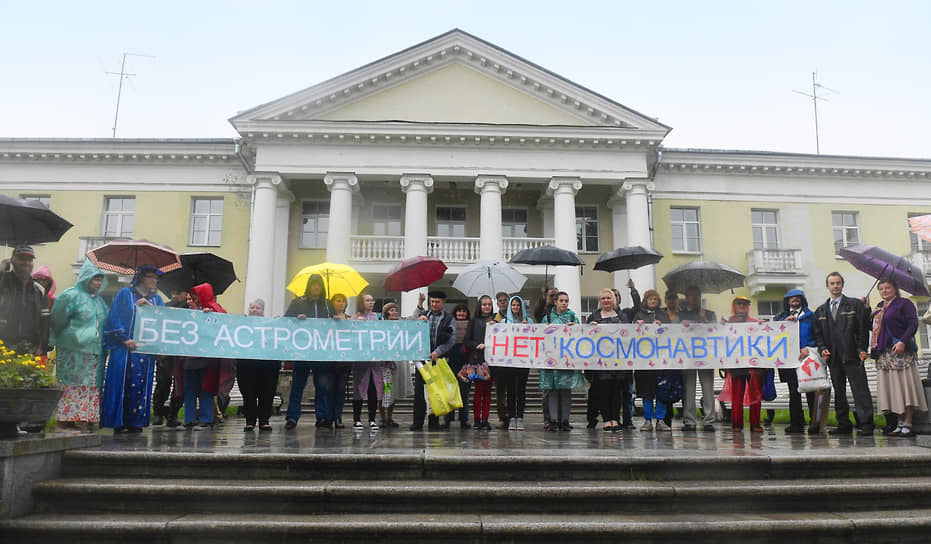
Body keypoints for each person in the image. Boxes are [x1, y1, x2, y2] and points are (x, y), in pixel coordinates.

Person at [101, 265, 165, 433]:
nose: (155, 281)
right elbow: (114, 317)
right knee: (123, 383)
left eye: (156, 278)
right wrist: (124, 337)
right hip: (125, 349)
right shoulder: (125, 294)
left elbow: (164, 322)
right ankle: (119, 421)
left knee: (140, 385)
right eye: (152, 277)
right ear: (143, 278)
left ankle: (135, 421)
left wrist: (152, 311)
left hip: (144, 351)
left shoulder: (157, 300)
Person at [48, 258, 109, 431]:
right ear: (86, 277)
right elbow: (57, 320)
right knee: (72, 382)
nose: (98, 283)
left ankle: (86, 416)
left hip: (95, 352)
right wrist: (60, 340)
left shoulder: (100, 302)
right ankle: (67, 418)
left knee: (91, 384)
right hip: (72, 350)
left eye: (100, 280)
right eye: (95, 279)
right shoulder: (70, 295)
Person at [812, 272, 874, 436]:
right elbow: (817, 334)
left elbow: (863, 329)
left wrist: (862, 348)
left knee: (860, 390)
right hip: (833, 358)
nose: (835, 286)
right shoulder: (820, 311)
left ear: (842, 284)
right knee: (839, 392)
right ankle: (843, 424)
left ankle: (867, 423)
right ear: (827, 286)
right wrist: (822, 348)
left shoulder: (855, 305)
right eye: (832, 283)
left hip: (853, 355)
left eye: (838, 283)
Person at [870, 278, 926, 437]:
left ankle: (908, 422)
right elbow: (873, 328)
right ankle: (900, 422)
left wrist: (902, 341)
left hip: (900, 352)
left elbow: (913, 324)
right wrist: (866, 308)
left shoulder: (904, 304)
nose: (884, 291)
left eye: (887, 288)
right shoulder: (879, 307)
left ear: (895, 288)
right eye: (881, 289)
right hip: (884, 354)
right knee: (892, 389)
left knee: (904, 387)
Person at [283, 275, 331, 430]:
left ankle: (322, 417)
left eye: (319, 285)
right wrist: (296, 319)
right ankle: (292, 417)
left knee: (322, 388)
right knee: (297, 386)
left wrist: (336, 319)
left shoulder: (327, 304)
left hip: (321, 352)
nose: (316, 287)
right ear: (309, 286)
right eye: (313, 284)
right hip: (302, 352)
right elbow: (285, 321)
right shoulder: (298, 302)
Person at [772, 289, 817, 434]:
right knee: (794, 391)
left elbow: (818, 335)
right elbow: (773, 335)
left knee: (811, 391)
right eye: (792, 298)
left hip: (808, 357)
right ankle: (796, 424)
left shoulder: (811, 316)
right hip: (790, 361)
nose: (795, 300)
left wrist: (809, 348)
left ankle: (814, 422)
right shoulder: (780, 318)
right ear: (787, 301)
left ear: (803, 300)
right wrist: (784, 324)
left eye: (798, 297)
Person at [411, 290, 456, 431]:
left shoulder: (449, 318)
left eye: (437, 302)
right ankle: (417, 422)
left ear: (443, 303)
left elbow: (452, 339)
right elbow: (411, 327)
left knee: (435, 392)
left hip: (438, 360)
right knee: (419, 393)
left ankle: (433, 421)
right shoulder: (424, 315)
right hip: (421, 362)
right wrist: (418, 319)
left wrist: (438, 351)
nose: (434, 304)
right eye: (432, 302)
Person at [183, 283, 225, 429]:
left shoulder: (215, 310)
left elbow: (223, 325)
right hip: (190, 357)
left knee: (205, 388)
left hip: (207, 360)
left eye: (195, 295)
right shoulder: (189, 312)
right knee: (189, 388)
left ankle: (206, 419)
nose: (193, 299)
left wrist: (211, 317)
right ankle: (189, 419)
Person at [586, 288, 629, 431]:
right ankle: (606, 419)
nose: (606, 301)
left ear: (613, 300)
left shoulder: (622, 317)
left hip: (618, 359)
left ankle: (615, 419)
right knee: (603, 390)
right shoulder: (593, 316)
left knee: (616, 391)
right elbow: (585, 338)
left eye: (608, 298)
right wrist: (589, 329)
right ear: (600, 301)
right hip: (600, 361)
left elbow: (629, 334)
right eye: (603, 298)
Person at [722, 296, 766, 433]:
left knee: (755, 395)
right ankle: (736, 424)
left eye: (744, 304)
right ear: (734, 306)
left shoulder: (754, 322)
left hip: (753, 364)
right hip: (736, 364)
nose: (741, 306)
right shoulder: (728, 322)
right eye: (739, 304)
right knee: (737, 395)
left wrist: (763, 327)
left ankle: (755, 424)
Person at [541, 292, 582, 432]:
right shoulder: (547, 317)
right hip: (550, 359)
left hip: (566, 360)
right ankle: (552, 420)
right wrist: (544, 328)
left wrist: (575, 328)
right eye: (561, 300)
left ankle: (564, 420)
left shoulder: (572, 317)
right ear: (556, 302)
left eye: (566, 300)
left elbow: (580, 335)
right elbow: (540, 336)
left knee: (565, 391)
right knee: (551, 390)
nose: (564, 303)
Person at [237, 299, 280, 432]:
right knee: (248, 394)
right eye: (252, 307)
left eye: (258, 308)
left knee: (266, 394)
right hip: (246, 366)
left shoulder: (271, 325)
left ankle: (264, 421)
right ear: (248, 310)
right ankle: (250, 421)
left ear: (263, 311)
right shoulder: (240, 325)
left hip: (267, 366)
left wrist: (279, 324)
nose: (255, 310)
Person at [679, 285, 717, 432]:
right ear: (687, 298)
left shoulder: (710, 314)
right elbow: (674, 331)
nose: (694, 298)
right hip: (687, 356)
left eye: (696, 295)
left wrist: (704, 319)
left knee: (707, 388)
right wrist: (680, 325)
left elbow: (715, 331)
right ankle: (690, 421)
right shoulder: (681, 314)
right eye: (691, 295)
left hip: (706, 356)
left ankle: (709, 421)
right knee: (689, 389)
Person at [634, 289, 672, 432]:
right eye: (650, 299)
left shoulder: (664, 315)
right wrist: (637, 325)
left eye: (655, 299)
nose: (653, 301)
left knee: (661, 391)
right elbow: (631, 333)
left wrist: (662, 326)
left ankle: (660, 419)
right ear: (646, 300)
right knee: (646, 392)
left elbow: (671, 332)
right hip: (644, 361)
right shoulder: (639, 314)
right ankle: (648, 420)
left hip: (661, 360)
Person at [0, 245, 48, 356]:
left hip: (29, 347)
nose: (26, 263)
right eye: (22, 259)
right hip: (3, 346)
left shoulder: (39, 290)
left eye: (29, 260)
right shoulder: (3, 283)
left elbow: (45, 320)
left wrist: (42, 344)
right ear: (12, 261)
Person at [152, 288, 188, 427]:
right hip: (165, 352)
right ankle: (158, 413)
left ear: (185, 294)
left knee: (180, 386)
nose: (174, 295)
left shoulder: (190, 310)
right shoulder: (165, 307)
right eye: (172, 292)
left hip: (182, 352)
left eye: (178, 292)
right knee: (163, 382)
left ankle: (173, 414)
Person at [500, 295, 532, 431]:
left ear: (521, 307)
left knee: (521, 390)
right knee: (511, 391)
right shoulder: (504, 322)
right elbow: (499, 338)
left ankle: (520, 417)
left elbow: (534, 338)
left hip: (524, 361)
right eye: (513, 305)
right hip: (509, 362)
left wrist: (528, 328)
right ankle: (512, 417)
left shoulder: (528, 321)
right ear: (509, 307)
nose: (515, 307)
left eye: (518, 305)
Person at [351, 293, 383, 430]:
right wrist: (355, 323)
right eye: (367, 300)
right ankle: (357, 419)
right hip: (360, 361)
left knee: (373, 390)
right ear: (361, 302)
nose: (371, 302)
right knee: (358, 390)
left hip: (374, 362)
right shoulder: (356, 317)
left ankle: (372, 419)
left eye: (372, 300)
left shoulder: (377, 318)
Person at [465, 295, 495, 430]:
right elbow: (467, 340)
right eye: (484, 304)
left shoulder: (496, 320)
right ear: (480, 306)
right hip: (477, 360)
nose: (487, 307)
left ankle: (485, 419)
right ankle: (477, 419)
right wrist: (477, 345)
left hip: (492, 361)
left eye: (489, 304)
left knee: (488, 392)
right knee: (478, 392)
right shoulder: (473, 320)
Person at [379, 302, 408, 428]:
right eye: (391, 310)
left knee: (393, 392)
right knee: (384, 392)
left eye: (396, 310)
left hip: (397, 364)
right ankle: (382, 418)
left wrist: (419, 304)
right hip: (384, 365)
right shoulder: (381, 326)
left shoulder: (401, 325)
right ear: (386, 313)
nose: (395, 312)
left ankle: (389, 417)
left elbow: (413, 320)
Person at [444, 303, 472, 429]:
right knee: (450, 392)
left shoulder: (471, 325)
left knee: (464, 393)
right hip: (451, 361)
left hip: (466, 363)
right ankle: (448, 419)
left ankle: (463, 419)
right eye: (459, 311)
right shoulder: (449, 323)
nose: (461, 313)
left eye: (464, 311)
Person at [328, 293, 351, 428]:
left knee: (341, 389)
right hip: (330, 359)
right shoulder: (328, 319)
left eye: (343, 301)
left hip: (344, 361)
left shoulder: (349, 319)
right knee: (330, 389)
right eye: (338, 301)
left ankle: (338, 416)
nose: (341, 303)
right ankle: (329, 416)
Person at [492, 291, 510, 428]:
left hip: (513, 360)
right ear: (497, 303)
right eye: (500, 301)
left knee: (512, 391)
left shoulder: (515, 317)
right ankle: (502, 416)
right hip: (498, 362)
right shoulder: (494, 318)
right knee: (500, 391)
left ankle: (513, 415)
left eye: (505, 300)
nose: (503, 302)